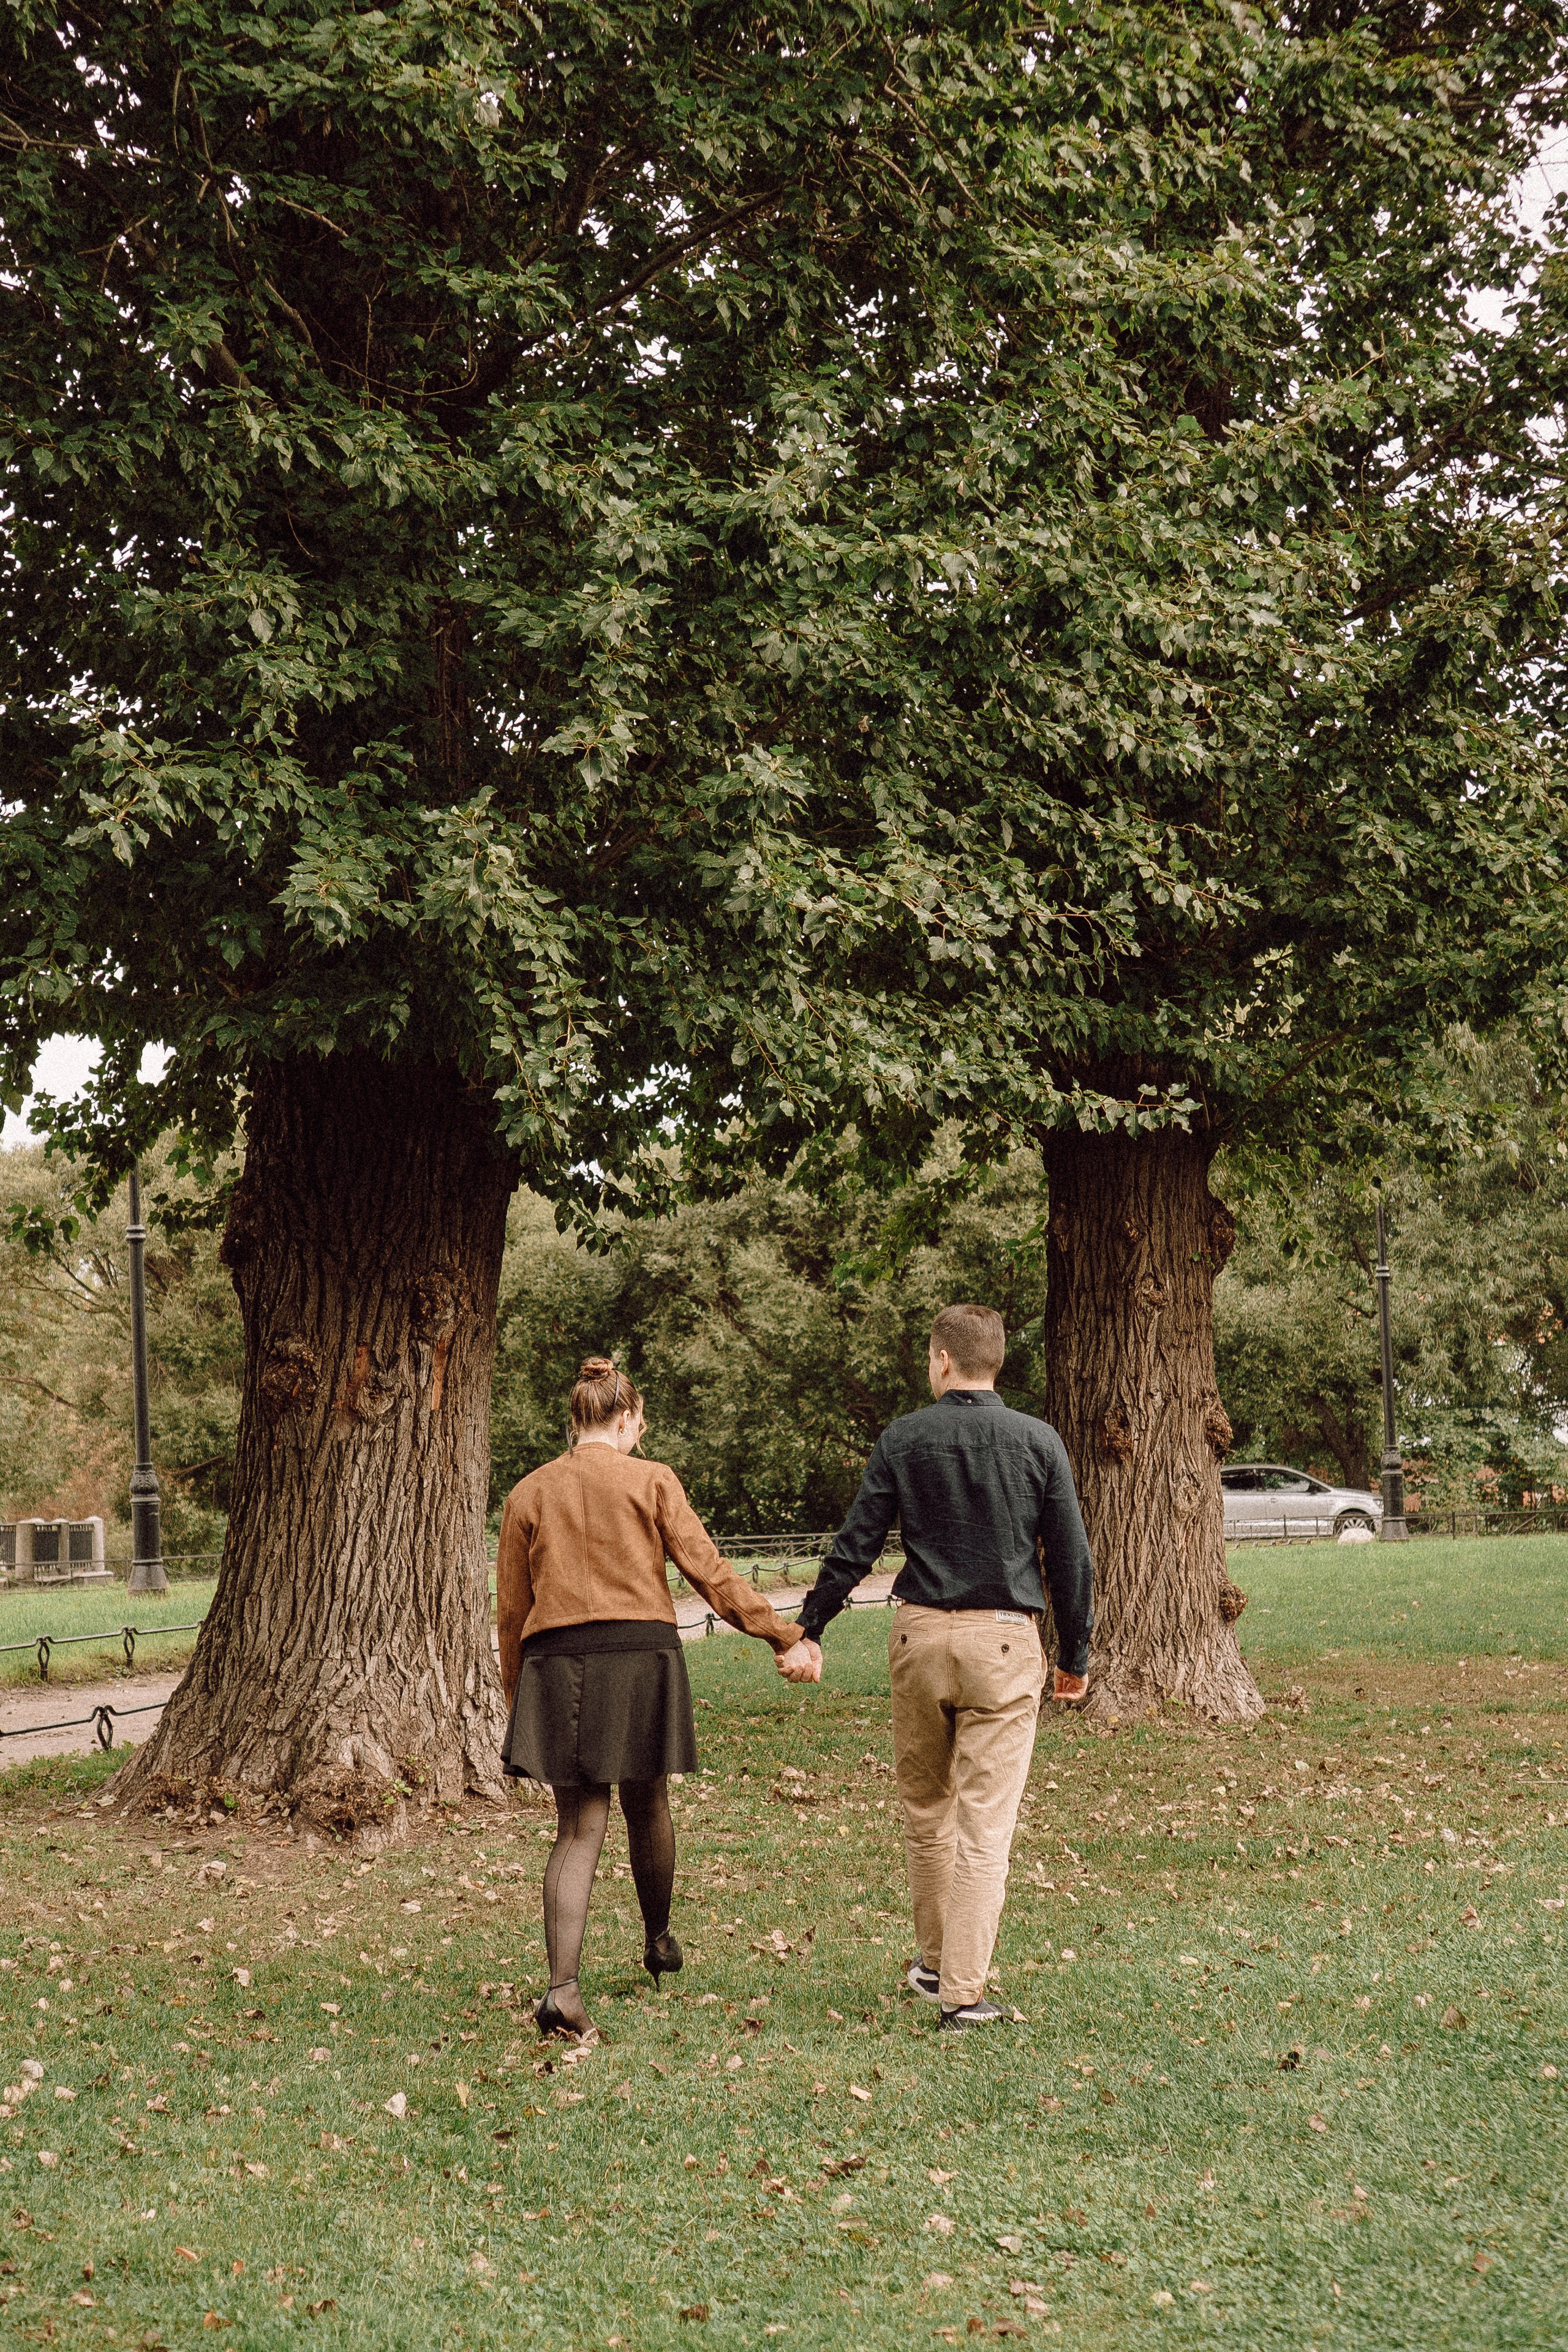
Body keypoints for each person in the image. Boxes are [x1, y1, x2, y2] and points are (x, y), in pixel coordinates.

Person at [496, 1355, 815, 2040]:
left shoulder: (527, 1493)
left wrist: (516, 1697)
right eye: (639, 1422)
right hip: (640, 1657)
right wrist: (782, 1635)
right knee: (649, 1802)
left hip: (556, 1663)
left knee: (579, 1826)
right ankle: (658, 1937)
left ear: (574, 1419)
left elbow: (510, 1613)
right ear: (627, 1421)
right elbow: (710, 1573)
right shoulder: (652, 1479)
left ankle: (562, 1991)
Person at [793, 1304, 1093, 2030]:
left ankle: (933, 1965)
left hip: (918, 1638)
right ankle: (962, 1993)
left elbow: (856, 1543)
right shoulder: (1037, 1440)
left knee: (928, 1811)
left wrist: (808, 1628)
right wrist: (1074, 1654)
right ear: (995, 1363)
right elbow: (1072, 1558)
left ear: (941, 1360)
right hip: (1002, 1641)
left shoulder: (905, 1438)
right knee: (985, 1825)